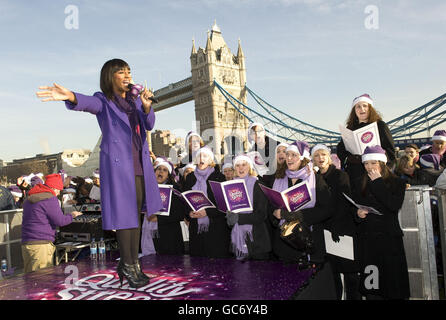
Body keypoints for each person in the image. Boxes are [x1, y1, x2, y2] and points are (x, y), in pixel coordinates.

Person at [36, 58, 163, 288]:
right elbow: (88, 103)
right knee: (126, 219)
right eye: (121, 72)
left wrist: (146, 107)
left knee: (136, 218)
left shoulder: (135, 101)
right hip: (119, 168)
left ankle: (133, 264)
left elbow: (150, 124)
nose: (127, 76)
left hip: (140, 167)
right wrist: (71, 96)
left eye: (129, 72)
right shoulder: (103, 100)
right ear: (110, 76)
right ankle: (128, 264)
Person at [353, 145, 410, 300]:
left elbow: (393, 206)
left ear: (382, 163)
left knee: (392, 285)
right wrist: (358, 214)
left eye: (373, 163)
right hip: (369, 240)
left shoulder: (398, 182)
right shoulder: (359, 182)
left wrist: (377, 182)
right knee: (373, 286)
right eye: (366, 163)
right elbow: (356, 207)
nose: (369, 167)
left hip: (389, 240)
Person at [269, 141, 332, 266]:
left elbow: (326, 209)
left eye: (294, 155)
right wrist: (275, 215)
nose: (289, 158)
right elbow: (271, 206)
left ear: (303, 158)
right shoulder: (279, 178)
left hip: (307, 241)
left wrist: (298, 215)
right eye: (287, 155)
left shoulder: (315, 179)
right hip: (284, 244)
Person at [311, 144, 361, 300]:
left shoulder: (341, 176)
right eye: (317, 155)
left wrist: (336, 226)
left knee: (351, 274)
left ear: (329, 157)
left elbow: (345, 203)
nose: (320, 158)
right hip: (324, 232)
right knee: (332, 275)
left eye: (323, 155)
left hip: (342, 229)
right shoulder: (313, 178)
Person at [21, 174, 83, 273]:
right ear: (53, 188)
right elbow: (60, 221)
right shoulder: (50, 198)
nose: (58, 193)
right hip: (41, 245)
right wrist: (72, 215)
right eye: (58, 190)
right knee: (42, 279)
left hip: (27, 243)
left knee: (30, 279)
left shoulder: (30, 198)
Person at [337, 94, 395, 190]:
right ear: (354, 111)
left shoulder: (380, 125)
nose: (362, 109)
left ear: (370, 108)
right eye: (358, 107)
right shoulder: (349, 129)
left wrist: (377, 158)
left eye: (365, 106)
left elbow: (390, 151)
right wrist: (349, 158)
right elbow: (341, 150)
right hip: (355, 173)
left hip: (375, 173)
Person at [182, 146, 231, 258]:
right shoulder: (190, 178)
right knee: (198, 262)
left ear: (211, 160)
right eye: (199, 156)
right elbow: (185, 200)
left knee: (217, 266)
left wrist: (207, 212)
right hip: (196, 228)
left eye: (204, 156)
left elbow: (224, 206)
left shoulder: (219, 177)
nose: (201, 159)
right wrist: (189, 213)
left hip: (216, 229)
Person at [225, 155, 271, 260]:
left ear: (249, 167)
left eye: (244, 164)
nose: (241, 168)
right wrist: (229, 217)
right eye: (237, 165)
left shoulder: (257, 185)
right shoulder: (230, 187)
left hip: (257, 242)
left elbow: (261, 215)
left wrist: (238, 218)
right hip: (238, 240)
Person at [141, 160, 187, 255]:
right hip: (149, 234)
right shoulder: (147, 188)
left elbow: (179, 214)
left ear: (168, 175)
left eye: (164, 170)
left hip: (169, 237)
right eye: (159, 169)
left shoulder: (174, 190)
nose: (161, 172)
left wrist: (158, 218)